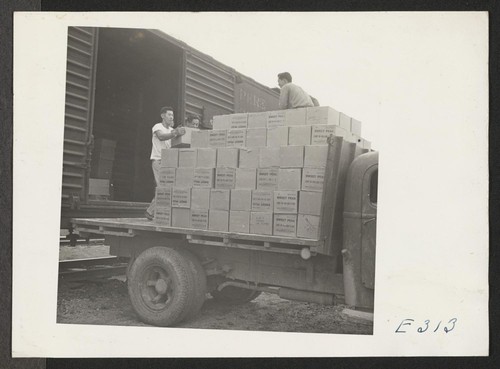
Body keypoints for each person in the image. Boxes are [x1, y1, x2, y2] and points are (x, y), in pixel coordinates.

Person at [144, 106, 184, 220]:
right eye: (169, 115)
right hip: (158, 161)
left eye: (172, 115)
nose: (171, 117)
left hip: (168, 162)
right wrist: (175, 133)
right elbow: (161, 137)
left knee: (166, 187)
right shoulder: (158, 126)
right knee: (163, 187)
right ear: (163, 116)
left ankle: (152, 212)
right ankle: (150, 212)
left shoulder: (172, 130)